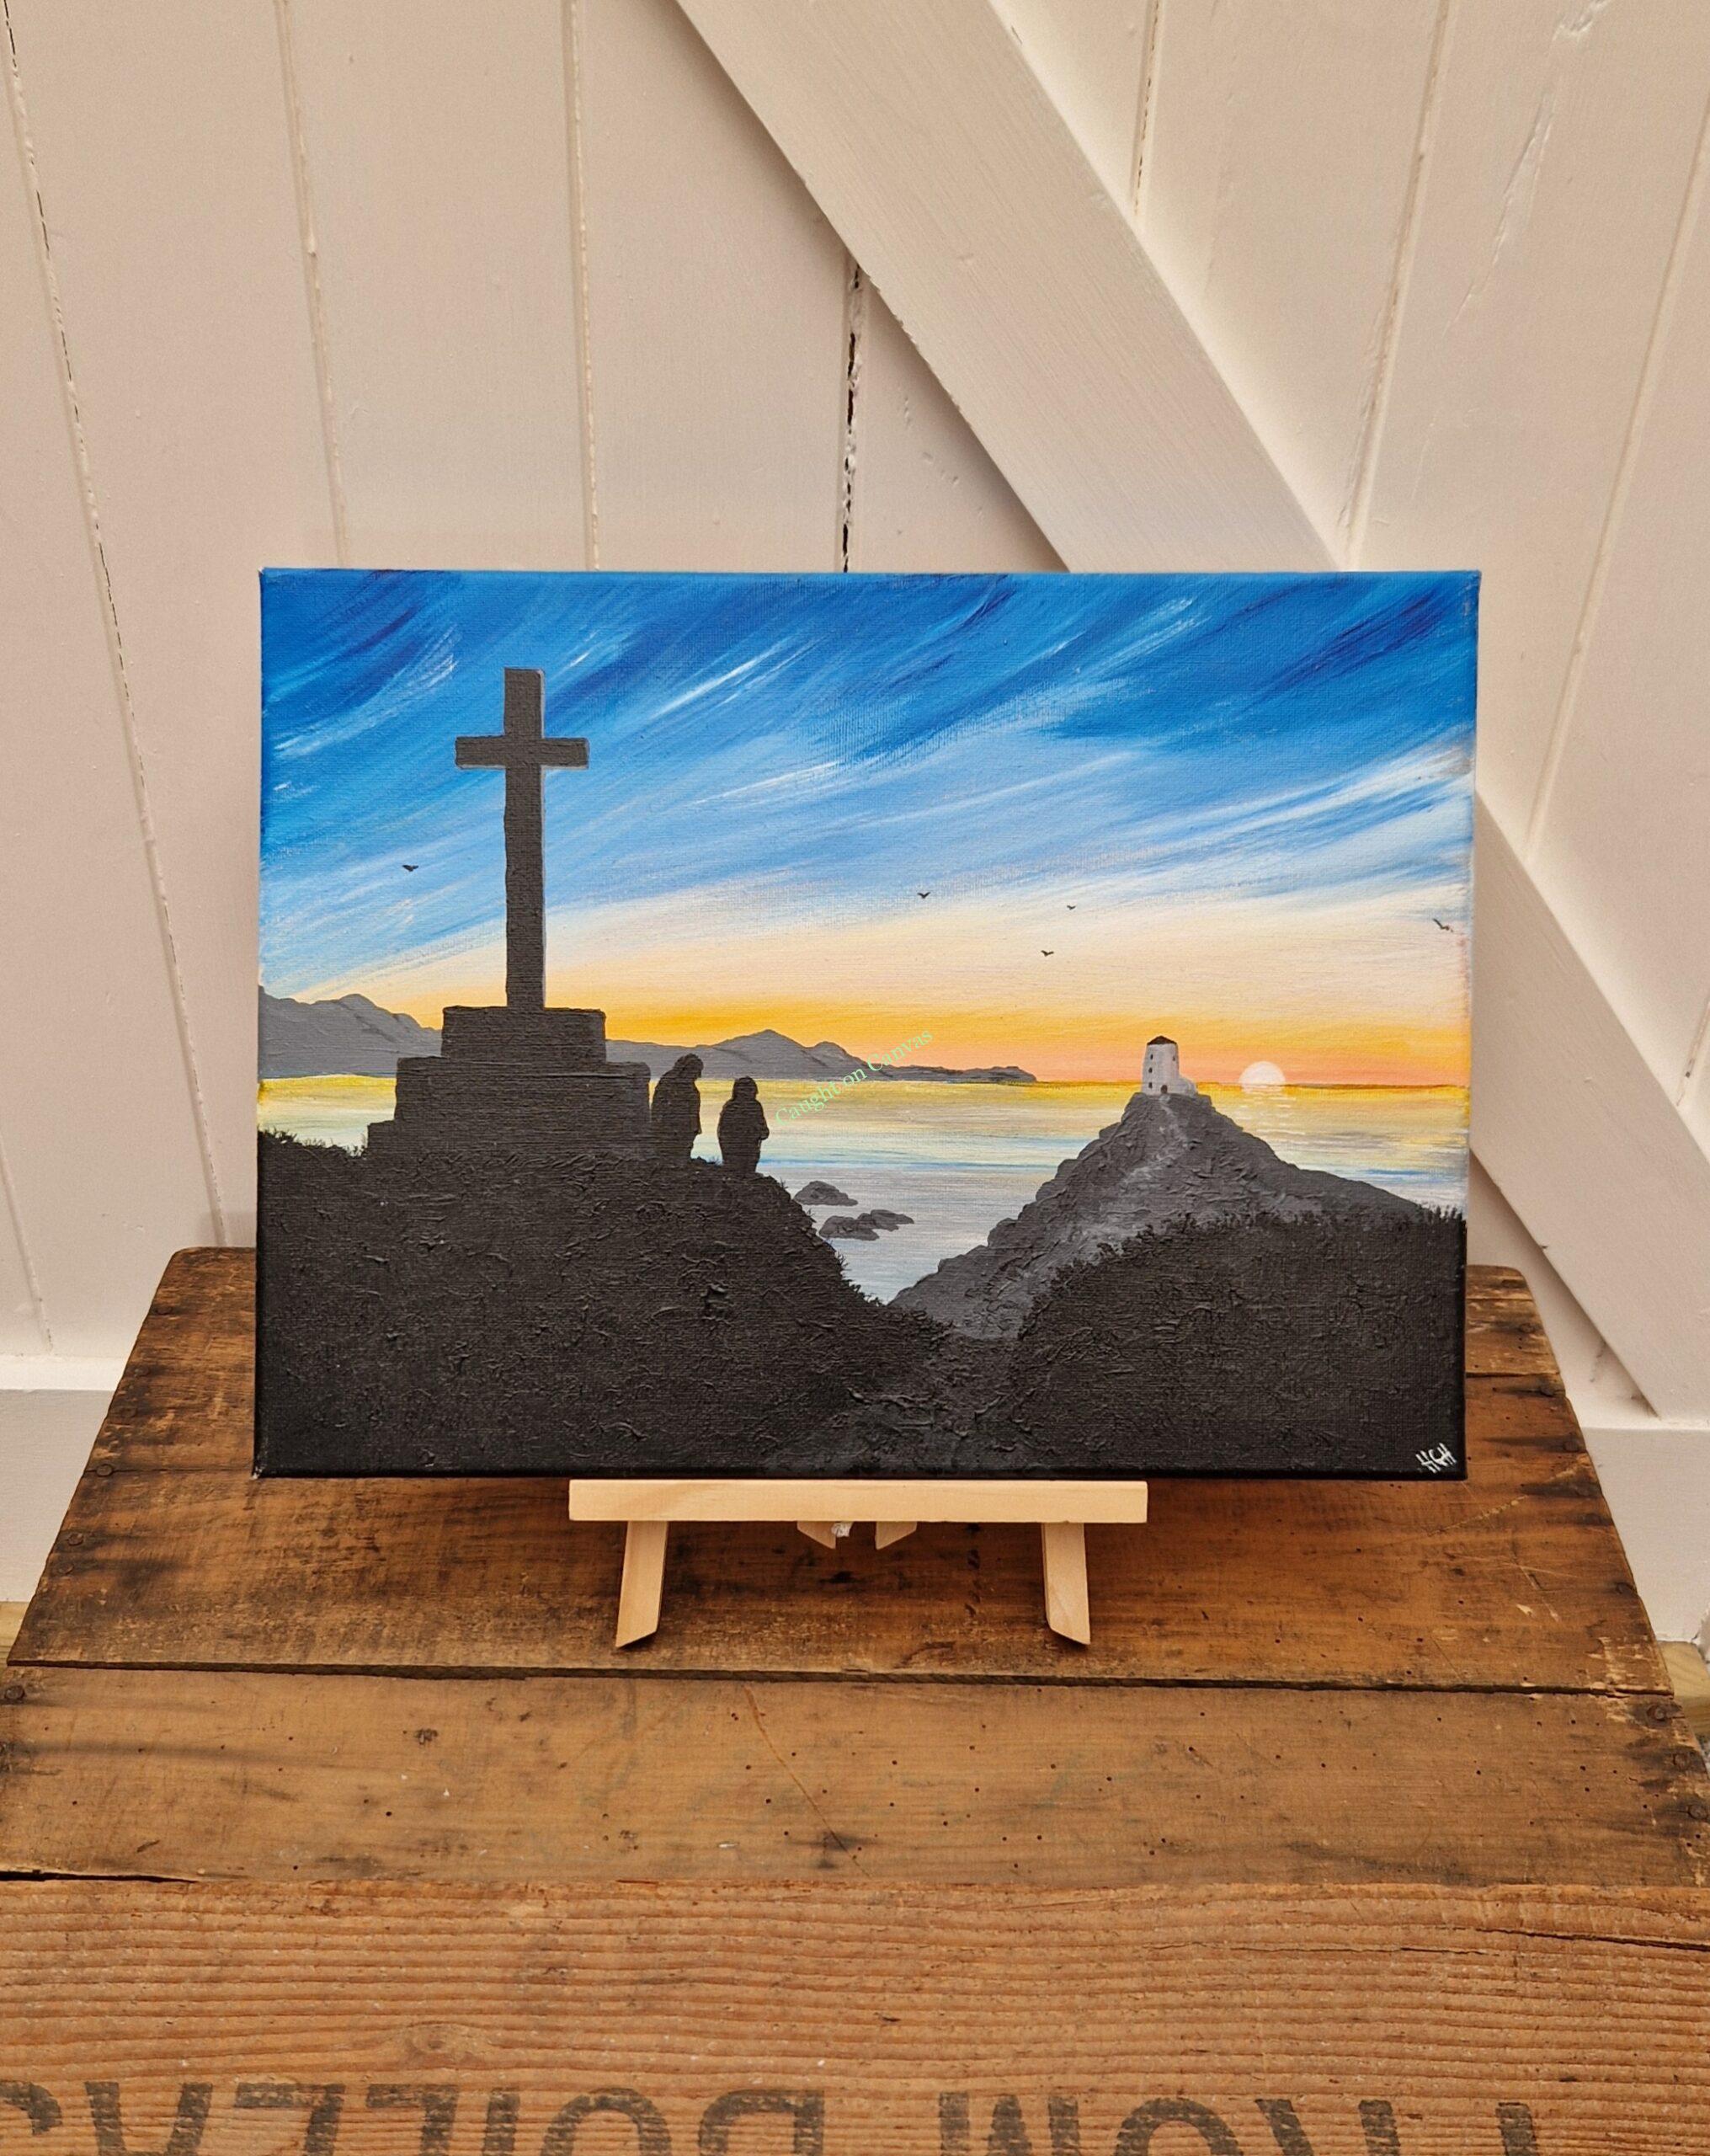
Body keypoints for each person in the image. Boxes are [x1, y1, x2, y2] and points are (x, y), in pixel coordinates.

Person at [649, 1053, 703, 1164]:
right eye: (693, 1070)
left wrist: (694, 1127)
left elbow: (693, 1110)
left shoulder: (690, 1087)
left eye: (697, 1071)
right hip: (669, 1128)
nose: (695, 1075)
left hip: (685, 1128)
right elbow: (659, 1105)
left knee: (682, 1153)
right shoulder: (669, 1082)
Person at [716, 1075, 769, 1175]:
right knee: (735, 1172)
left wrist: (762, 1131)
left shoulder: (755, 1106)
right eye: (744, 1090)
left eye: (749, 1090)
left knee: (748, 1172)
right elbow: (723, 1130)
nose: (747, 1093)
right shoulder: (731, 1107)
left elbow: (762, 1126)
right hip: (734, 1148)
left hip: (751, 1147)